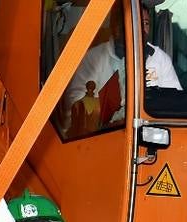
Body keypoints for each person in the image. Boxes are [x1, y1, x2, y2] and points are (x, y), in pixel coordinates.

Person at [64, 3, 180, 133]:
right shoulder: (94, 57)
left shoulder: (160, 58)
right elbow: (75, 102)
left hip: (151, 133)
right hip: (102, 135)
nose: (140, 29)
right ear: (115, 26)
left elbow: (175, 101)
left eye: (146, 23)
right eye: (133, 22)